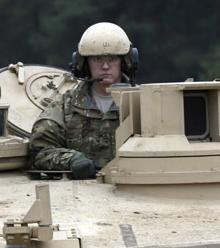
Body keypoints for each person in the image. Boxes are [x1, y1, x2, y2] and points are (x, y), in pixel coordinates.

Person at [28, 22, 138, 179]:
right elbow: (40, 151)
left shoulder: (142, 102)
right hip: (79, 193)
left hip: (133, 187)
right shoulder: (65, 106)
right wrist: (72, 160)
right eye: (97, 59)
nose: (105, 66)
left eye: (112, 59)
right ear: (85, 65)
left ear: (125, 62)